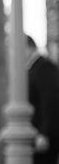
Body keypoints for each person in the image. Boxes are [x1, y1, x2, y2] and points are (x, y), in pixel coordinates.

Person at [26, 35, 59, 164]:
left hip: (44, 136)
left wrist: (44, 133)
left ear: (29, 47)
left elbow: (50, 101)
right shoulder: (33, 68)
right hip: (36, 133)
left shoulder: (44, 67)